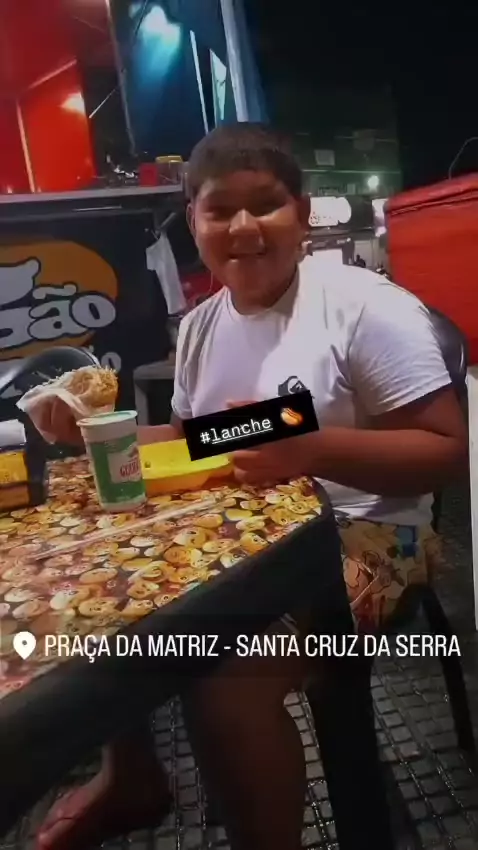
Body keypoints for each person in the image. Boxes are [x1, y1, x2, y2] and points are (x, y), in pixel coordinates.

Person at [36, 123, 467, 850]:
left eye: (264, 204)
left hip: (376, 541)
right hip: (244, 537)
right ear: (193, 221)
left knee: (226, 676)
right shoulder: (202, 326)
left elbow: (445, 450)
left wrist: (310, 450)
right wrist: (93, 432)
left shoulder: (364, 306)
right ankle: (132, 776)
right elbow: (198, 440)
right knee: (100, 590)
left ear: (302, 212)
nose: (243, 227)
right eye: (219, 210)